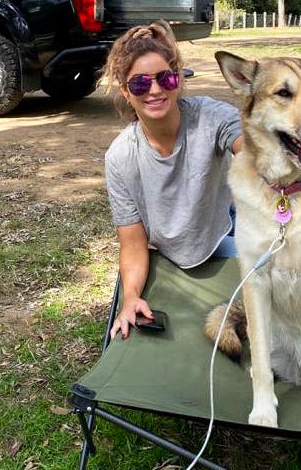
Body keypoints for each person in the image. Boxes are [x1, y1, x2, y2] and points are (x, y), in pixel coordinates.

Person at [102, 21, 243, 339]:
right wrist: (131, 296)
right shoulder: (120, 157)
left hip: (219, 231)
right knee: (126, 329)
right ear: (126, 91)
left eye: (164, 78)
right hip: (163, 249)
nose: (154, 90)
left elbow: (252, 151)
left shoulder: (212, 117)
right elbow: (134, 244)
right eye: (139, 84)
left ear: (177, 80)